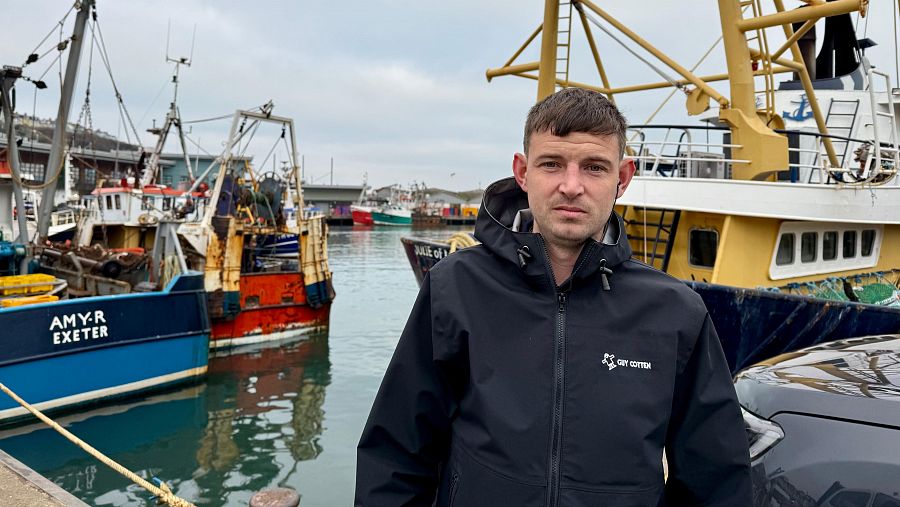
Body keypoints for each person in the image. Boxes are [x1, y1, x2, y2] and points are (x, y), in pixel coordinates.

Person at [355, 88, 752, 506]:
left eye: (595, 167)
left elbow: (715, 478)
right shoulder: (455, 287)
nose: (571, 185)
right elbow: (397, 453)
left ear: (623, 178)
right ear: (523, 172)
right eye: (552, 164)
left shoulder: (676, 313)